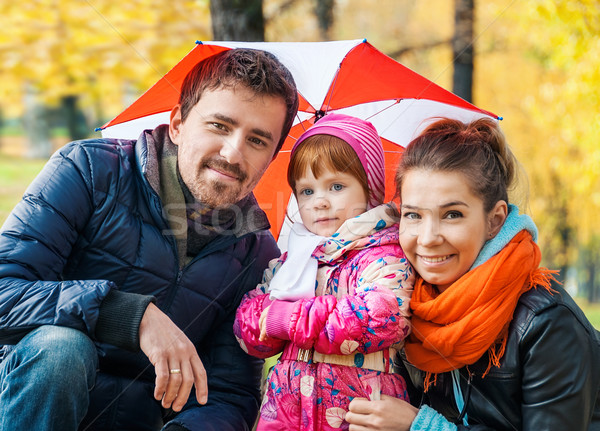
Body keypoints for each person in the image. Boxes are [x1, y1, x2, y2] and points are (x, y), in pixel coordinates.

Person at [0, 48, 299, 431]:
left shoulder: (257, 254)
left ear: (273, 157)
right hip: (30, 403)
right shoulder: (88, 171)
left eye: (257, 140)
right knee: (62, 350)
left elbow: (229, 395)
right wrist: (129, 315)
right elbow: (6, 292)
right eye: (220, 126)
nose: (232, 153)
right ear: (177, 123)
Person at [345, 117, 600, 430]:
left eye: (452, 214)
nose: (427, 238)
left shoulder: (546, 323)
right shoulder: (402, 309)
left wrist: (422, 427)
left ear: (494, 220)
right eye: (413, 215)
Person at [234, 113, 415, 430]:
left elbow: (377, 318)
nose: (319, 202)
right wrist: (267, 319)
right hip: (285, 411)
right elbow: (249, 332)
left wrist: (283, 318)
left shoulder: (383, 254)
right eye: (306, 191)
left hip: (357, 410)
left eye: (336, 186)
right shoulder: (294, 261)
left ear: (370, 190)